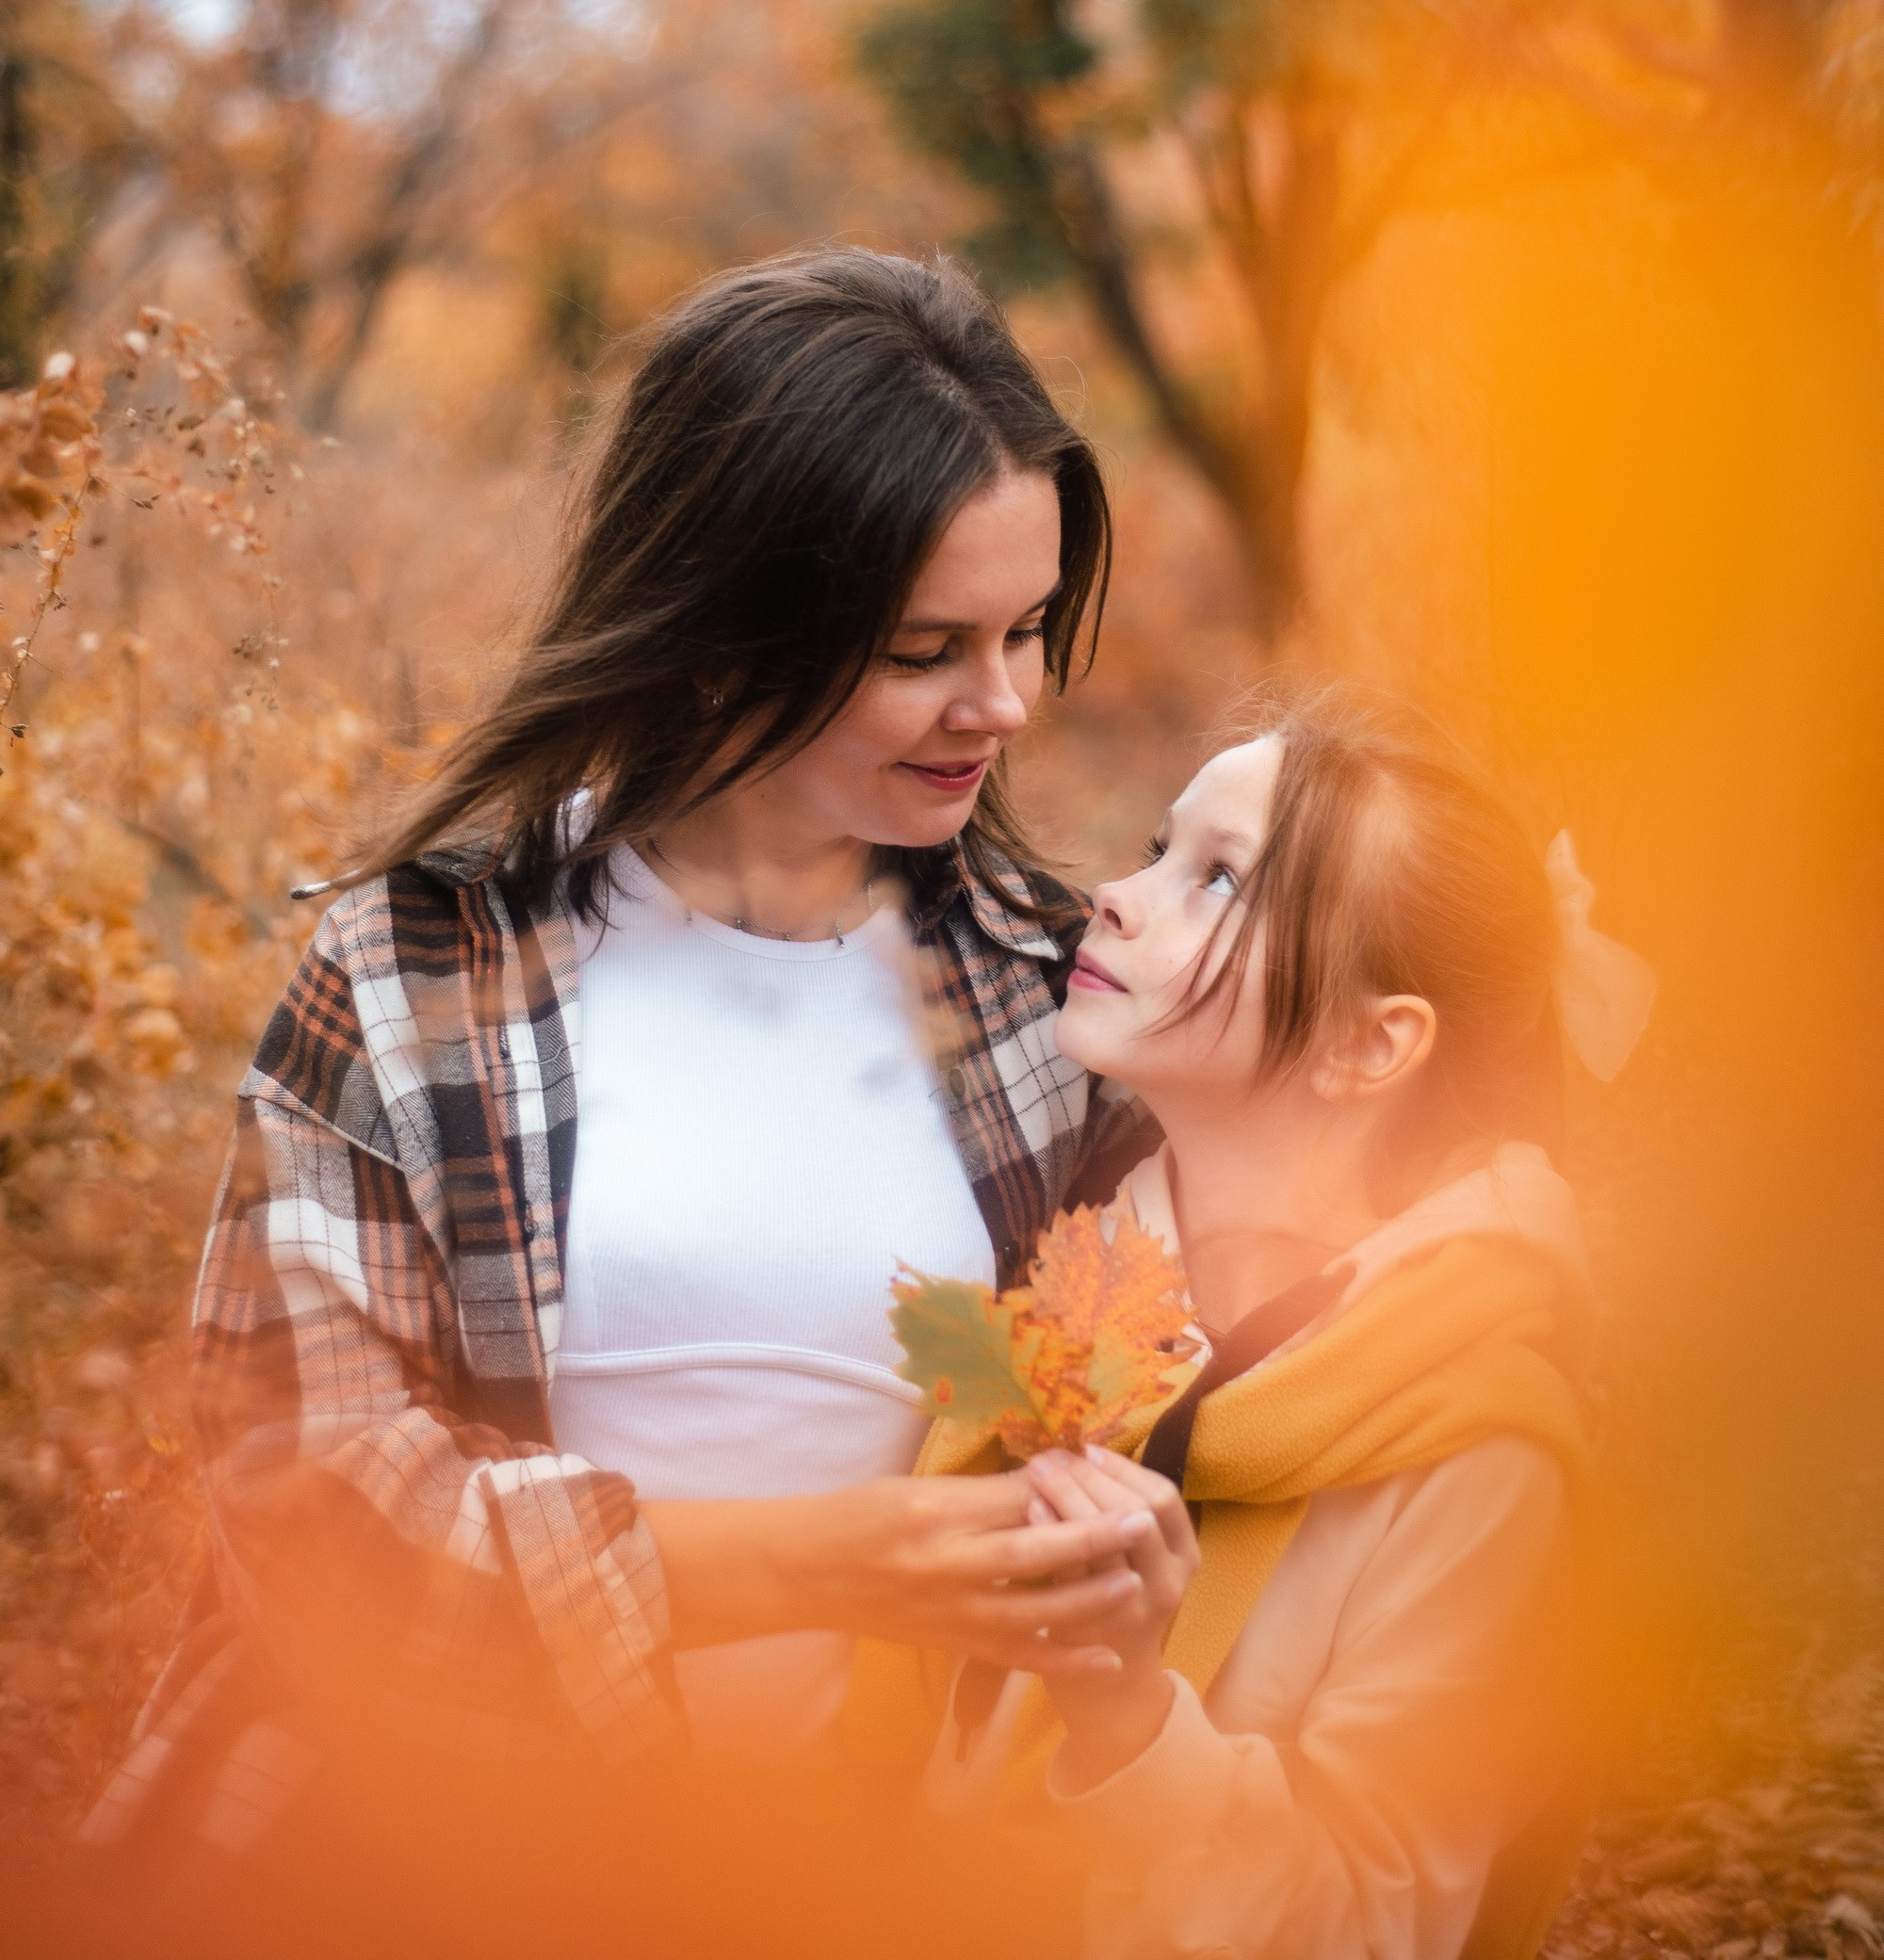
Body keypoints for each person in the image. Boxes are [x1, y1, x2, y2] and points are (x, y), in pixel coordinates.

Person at [90, 248, 1151, 1855]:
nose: (1001, 704)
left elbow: (1227, 1335)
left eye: (1024, 630)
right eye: (927, 649)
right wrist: (820, 1561)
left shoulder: (1049, 985)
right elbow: (308, 1507)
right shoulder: (413, 970)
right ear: (722, 633)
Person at [911, 686, 1592, 1960]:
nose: (1118, 892)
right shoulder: (1072, 1282)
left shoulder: (1477, 1456)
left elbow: (1374, 1925)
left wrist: (1127, 1719)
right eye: (1160, 848)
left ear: (1369, 1043)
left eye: (1221, 881)